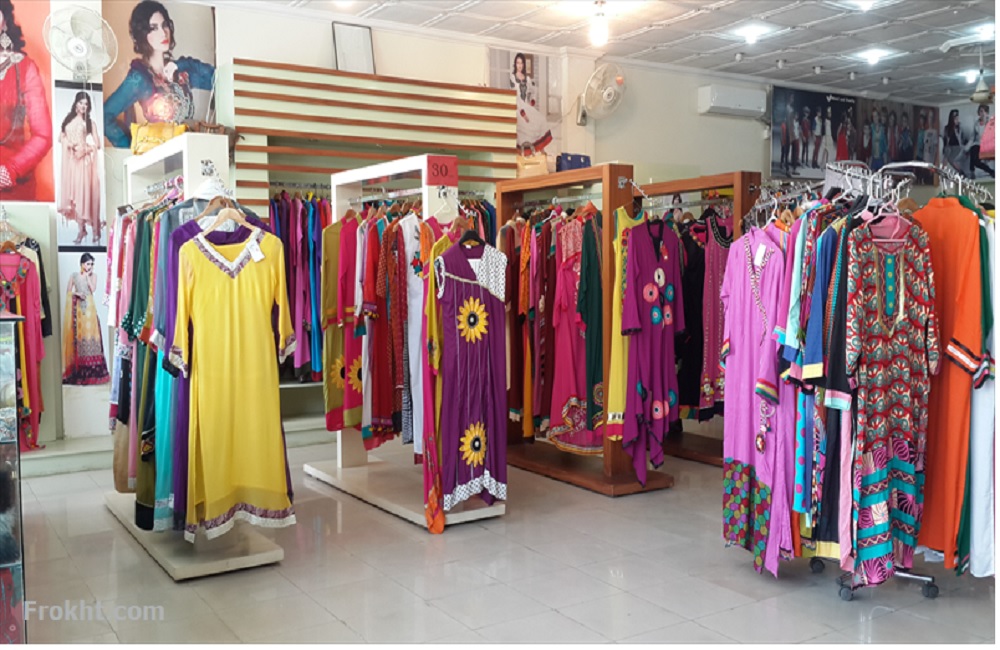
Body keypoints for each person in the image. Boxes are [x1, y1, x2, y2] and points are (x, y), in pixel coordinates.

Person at [104, 0, 214, 148]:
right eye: (154, 28)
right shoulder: (140, 78)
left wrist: (180, 64)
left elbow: (217, 79)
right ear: (143, 34)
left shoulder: (181, 71)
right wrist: (131, 147)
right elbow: (105, 116)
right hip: (163, 155)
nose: (163, 33)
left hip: (191, 148)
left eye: (164, 25)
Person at [0, 0, 52, 200]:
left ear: (5, 22)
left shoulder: (24, 68)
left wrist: (9, 171)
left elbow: (43, 135)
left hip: (14, 190)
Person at [58, 91, 102, 244]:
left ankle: (88, 229)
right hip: (71, 162)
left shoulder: (90, 123)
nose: (83, 106)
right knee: (75, 196)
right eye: (81, 103)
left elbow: (98, 144)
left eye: (86, 104)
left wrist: (85, 149)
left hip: (83, 163)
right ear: (76, 104)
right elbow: (61, 137)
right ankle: (81, 230)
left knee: (82, 195)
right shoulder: (68, 120)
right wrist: (70, 144)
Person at [62, 253, 110, 386]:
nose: (90, 266)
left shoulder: (94, 276)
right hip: (79, 310)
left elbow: (93, 289)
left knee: (92, 336)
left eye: (92, 264)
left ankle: (93, 371)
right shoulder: (74, 275)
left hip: (90, 310)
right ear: (82, 264)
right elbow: (68, 292)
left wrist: (88, 277)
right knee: (80, 337)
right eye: (88, 263)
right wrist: (77, 293)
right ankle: (80, 370)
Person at [509, 52, 552, 156]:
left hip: (526, 105)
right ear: (515, 64)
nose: (519, 65)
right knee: (524, 128)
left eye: (521, 63)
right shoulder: (512, 78)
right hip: (518, 108)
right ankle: (523, 152)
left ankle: (541, 149)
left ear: (524, 64)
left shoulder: (527, 79)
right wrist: (522, 112)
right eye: (517, 63)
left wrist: (532, 101)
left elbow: (534, 90)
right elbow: (514, 96)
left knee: (541, 119)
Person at [968, 104, 994, 179]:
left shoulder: (990, 123)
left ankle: (973, 171)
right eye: (980, 111)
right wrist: (966, 148)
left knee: (975, 160)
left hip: (986, 145)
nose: (981, 113)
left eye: (982, 111)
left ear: (986, 113)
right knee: (973, 151)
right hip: (977, 144)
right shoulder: (976, 123)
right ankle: (973, 171)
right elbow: (972, 137)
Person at [942, 108, 967, 175]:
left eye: (957, 118)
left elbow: (962, 139)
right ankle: (960, 172)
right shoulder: (947, 128)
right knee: (947, 153)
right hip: (949, 147)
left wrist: (957, 131)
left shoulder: (959, 127)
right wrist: (945, 147)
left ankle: (943, 170)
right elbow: (946, 139)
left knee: (949, 158)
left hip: (957, 147)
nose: (957, 120)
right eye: (955, 118)